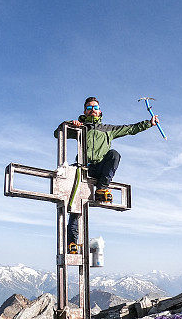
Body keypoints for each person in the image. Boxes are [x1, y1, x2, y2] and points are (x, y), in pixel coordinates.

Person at [62, 97, 159, 254]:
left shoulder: (108, 129)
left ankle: (102, 188)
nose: (92, 110)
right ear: (84, 112)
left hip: (99, 168)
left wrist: (149, 123)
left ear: (100, 111)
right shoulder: (80, 129)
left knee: (114, 154)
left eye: (95, 107)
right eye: (89, 108)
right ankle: (72, 243)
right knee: (75, 206)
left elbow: (130, 129)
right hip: (83, 168)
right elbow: (57, 133)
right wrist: (69, 124)